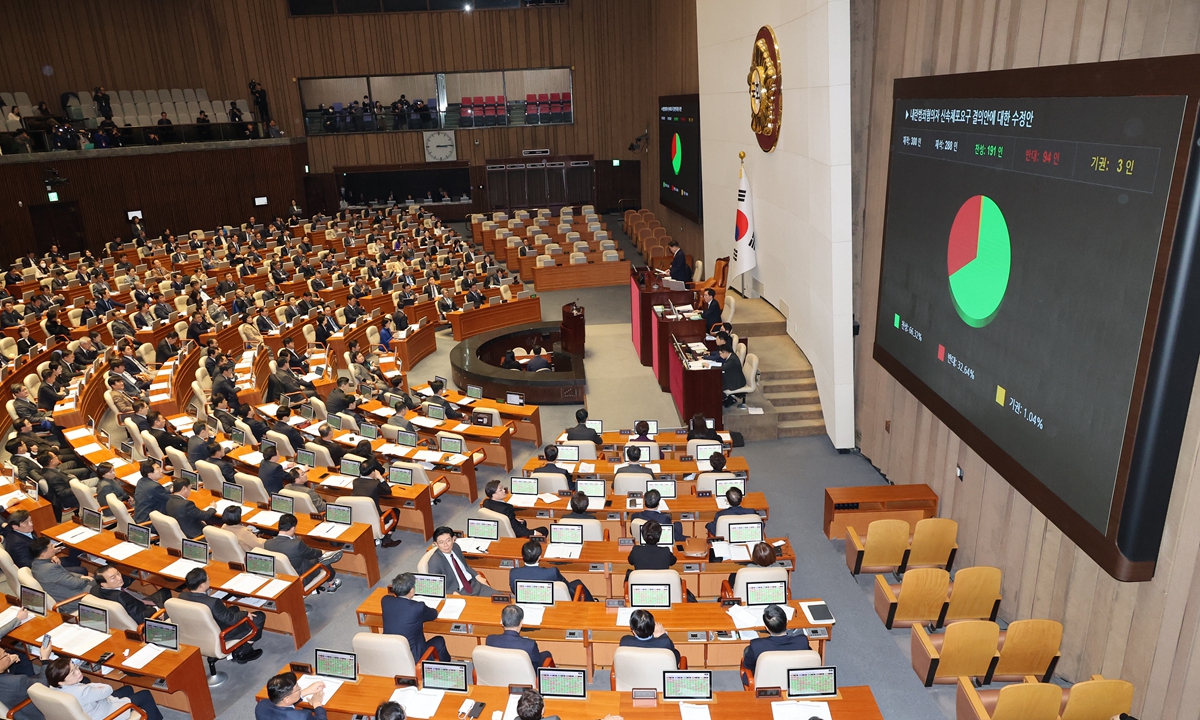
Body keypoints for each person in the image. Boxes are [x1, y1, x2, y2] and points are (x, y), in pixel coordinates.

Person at [180, 568, 264, 663]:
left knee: (235, 608)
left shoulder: (182, 596)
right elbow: (231, 620)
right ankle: (244, 652)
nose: (209, 580)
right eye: (208, 579)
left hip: (199, 630)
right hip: (220, 634)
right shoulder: (213, 603)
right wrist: (245, 613)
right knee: (259, 616)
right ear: (201, 585)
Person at [44, 655, 164, 720]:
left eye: (75, 667)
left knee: (128, 689)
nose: (78, 672)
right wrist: (92, 685)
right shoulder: (83, 692)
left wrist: (91, 687)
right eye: (73, 673)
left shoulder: (52, 688)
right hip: (106, 715)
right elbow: (108, 689)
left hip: (89, 710)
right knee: (145, 695)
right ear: (61, 681)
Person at [381, 572, 449, 661]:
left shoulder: (385, 601)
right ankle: (443, 668)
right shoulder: (418, 607)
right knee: (439, 641)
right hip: (414, 658)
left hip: (391, 653)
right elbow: (434, 614)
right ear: (412, 590)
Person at [264, 514, 340, 591]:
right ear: (293, 528)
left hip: (282, 577)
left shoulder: (268, 543)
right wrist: (321, 552)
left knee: (304, 556)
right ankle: (332, 584)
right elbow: (312, 553)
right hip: (302, 578)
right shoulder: (296, 544)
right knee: (322, 560)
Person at [508, 540, 594, 601]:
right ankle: (592, 606)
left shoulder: (513, 573)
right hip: (552, 599)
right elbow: (566, 586)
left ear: (522, 556)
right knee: (578, 584)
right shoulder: (551, 572)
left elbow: (514, 590)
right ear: (539, 557)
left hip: (528, 600)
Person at [0, 617, 51, 719]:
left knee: (21, 656)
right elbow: (42, 685)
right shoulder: (16, 681)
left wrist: (8, 660)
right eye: (5, 653)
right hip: (35, 713)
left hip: (10, 697)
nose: (8, 653)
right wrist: (45, 659)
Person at [742, 603, 810, 679]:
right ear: (786, 622)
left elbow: (748, 665)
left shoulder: (756, 645)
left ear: (766, 628)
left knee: (747, 651)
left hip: (767, 681)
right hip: (793, 680)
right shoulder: (802, 641)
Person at [91, 565, 170, 627]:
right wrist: (156, 609)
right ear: (104, 584)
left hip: (135, 606)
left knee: (165, 591)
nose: (119, 578)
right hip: (144, 616)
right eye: (113, 577)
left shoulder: (95, 590)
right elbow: (140, 618)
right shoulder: (121, 596)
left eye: (118, 573)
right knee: (169, 607)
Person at [427, 525, 495, 596]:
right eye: (441, 542)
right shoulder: (434, 562)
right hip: (459, 592)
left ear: (453, 539)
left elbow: (465, 566)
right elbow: (436, 587)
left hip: (474, 584)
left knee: (502, 601)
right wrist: (452, 593)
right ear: (436, 544)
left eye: (448, 540)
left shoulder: (455, 547)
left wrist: (477, 576)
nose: (446, 545)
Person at [30, 537, 93, 613]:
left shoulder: (36, 564)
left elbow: (63, 574)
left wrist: (81, 576)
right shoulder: (50, 569)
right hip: (72, 599)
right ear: (43, 554)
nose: (54, 548)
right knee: (101, 585)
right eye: (51, 547)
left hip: (65, 590)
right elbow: (75, 584)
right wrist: (87, 579)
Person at [486, 604, 552, 667]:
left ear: (502, 622)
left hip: (498, 676)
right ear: (521, 622)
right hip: (526, 677)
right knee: (546, 654)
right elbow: (538, 664)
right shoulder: (530, 645)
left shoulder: (490, 640)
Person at [481, 480, 546, 538]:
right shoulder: (506, 509)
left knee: (523, 522)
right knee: (544, 530)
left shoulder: (486, 502)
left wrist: (512, 519)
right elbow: (517, 530)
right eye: (501, 490)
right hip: (513, 534)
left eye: (503, 487)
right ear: (494, 495)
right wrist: (534, 533)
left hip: (497, 531)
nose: (504, 490)